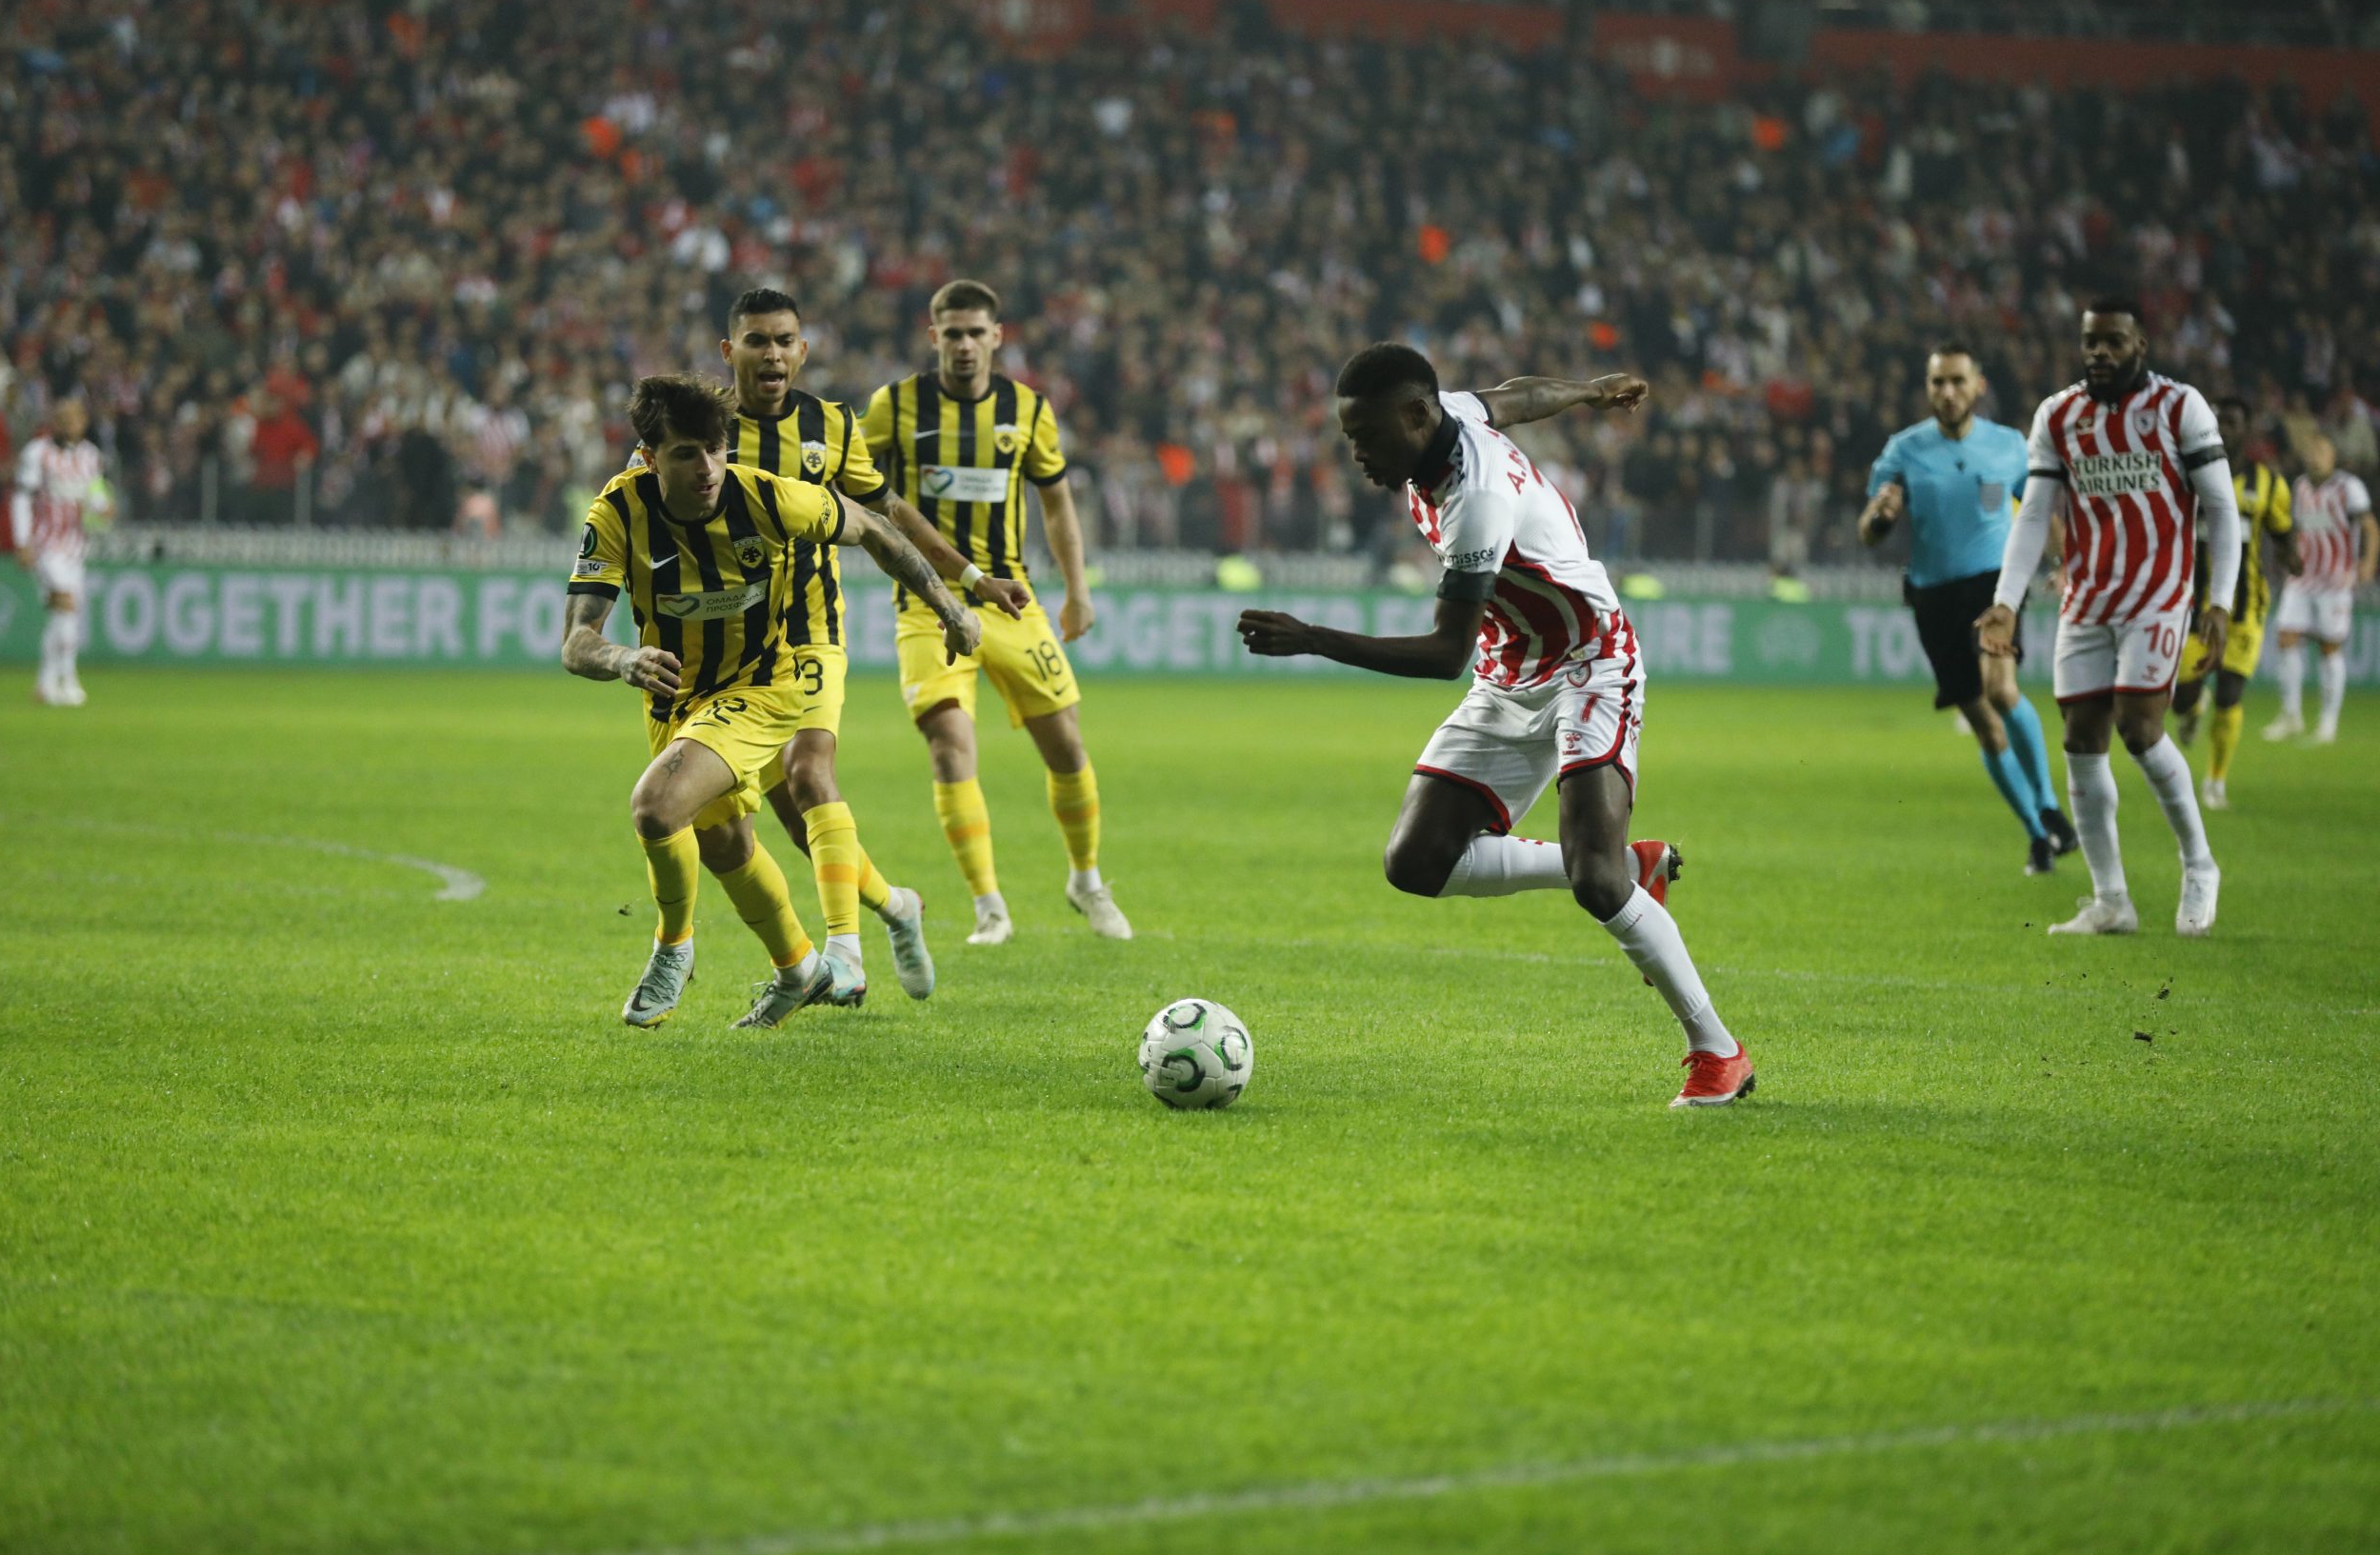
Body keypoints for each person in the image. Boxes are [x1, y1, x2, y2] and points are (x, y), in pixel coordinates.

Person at [1237, 345, 1750, 1108]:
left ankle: (1718, 1052)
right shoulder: (1451, 417)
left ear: (1416, 415)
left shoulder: (1473, 496)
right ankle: (1629, 864)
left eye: (1367, 435)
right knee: (1416, 861)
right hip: (1511, 668)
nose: (1358, 454)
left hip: (1588, 661)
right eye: (1349, 436)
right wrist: (1588, 388)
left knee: (1597, 883)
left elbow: (1446, 651)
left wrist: (1314, 637)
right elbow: (1514, 396)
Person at [649, 288, 1037, 999]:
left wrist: (963, 587)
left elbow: (889, 520)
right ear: (728, 352)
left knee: (808, 770)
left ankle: (844, 956)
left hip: (810, 636)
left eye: (784, 340)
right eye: (757, 341)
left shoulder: (832, 426)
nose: (772, 354)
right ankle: (896, 905)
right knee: (801, 824)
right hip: (727, 660)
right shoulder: (702, 431)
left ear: (802, 351)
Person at [563, 375, 981, 1027]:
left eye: (714, 448)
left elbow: (875, 528)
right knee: (726, 843)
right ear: (648, 457)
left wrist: (950, 608)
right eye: (684, 454)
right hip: (680, 701)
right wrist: (622, 657)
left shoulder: (768, 497)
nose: (706, 468)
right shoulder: (617, 513)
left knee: (656, 805)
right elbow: (576, 642)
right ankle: (803, 965)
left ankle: (673, 947)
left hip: (767, 685)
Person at [858, 279, 1130, 946]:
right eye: (952, 333)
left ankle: (1086, 880)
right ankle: (989, 906)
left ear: (997, 336)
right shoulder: (895, 406)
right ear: (933, 338)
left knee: (1065, 743)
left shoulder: (1027, 409)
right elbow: (858, 481)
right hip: (929, 602)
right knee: (951, 748)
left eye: (976, 332)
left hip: (1013, 601)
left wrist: (1078, 588)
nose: (965, 344)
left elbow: (1057, 504)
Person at [1978, 299, 2242, 938]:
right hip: (2087, 598)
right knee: (2081, 737)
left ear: (2141, 346)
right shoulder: (2059, 414)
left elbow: (2222, 509)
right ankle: (2112, 899)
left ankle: (2200, 864)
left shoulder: (2182, 408)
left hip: (2159, 593)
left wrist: (2219, 601)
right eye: (2090, 342)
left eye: (2113, 342)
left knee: (2140, 726)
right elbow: (2035, 514)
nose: (2099, 353)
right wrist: (2006, 602)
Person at [1861, 342, 2076, 874]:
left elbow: (2042, 510)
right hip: (1933, 593)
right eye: (1938, 382)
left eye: (1957, 381)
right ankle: (2037, 837)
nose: (1947, 392)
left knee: (2002, 689)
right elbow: (1869, 531)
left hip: (1994, 582)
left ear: (1979, 386)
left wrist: (2067, 558)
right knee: (1984, 725)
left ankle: (2050, 808)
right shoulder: (1902, 451)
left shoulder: (2009, 446)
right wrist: (1883, 516)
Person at [2172, 397, 2295, 806]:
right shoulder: (2185, 477)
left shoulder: (2269, 485)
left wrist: (2292, 555)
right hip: (2190, 608)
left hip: (2245, 609)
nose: (2224, 428)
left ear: (2246, 429)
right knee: (2182, 696)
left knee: (2230, 693)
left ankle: (2215, 781)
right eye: (2218, 421)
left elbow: (2282, 533)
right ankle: (2190, 710)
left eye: (2232, 421)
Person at [2264, 432, 2374, 747]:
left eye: (2321, 452)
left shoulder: (2348, 487)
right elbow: (2296, 529)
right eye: (2311, 451)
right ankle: (2291, 715)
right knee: (2285, 637)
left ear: (2333, 457)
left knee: (2329, 647)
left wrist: (2367, 562)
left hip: (2335, 581)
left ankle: (2328, 723)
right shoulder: (2299, 486)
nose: (2315, 457)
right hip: (2302, 578)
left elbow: (2369, 526)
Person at [10, 395, 109, 708]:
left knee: (63, 614)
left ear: (83, 421)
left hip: (76, 547)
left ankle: (45, 683)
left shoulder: (91, 456)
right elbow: (21, 498)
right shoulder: (37, 453)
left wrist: (104, 510)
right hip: (45, 544)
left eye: (75, 417)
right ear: (55, 420)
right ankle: (69, 681)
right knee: (66, 604)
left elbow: (96, 497)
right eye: (63, 417)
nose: (69, 423)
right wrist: (22, 541)